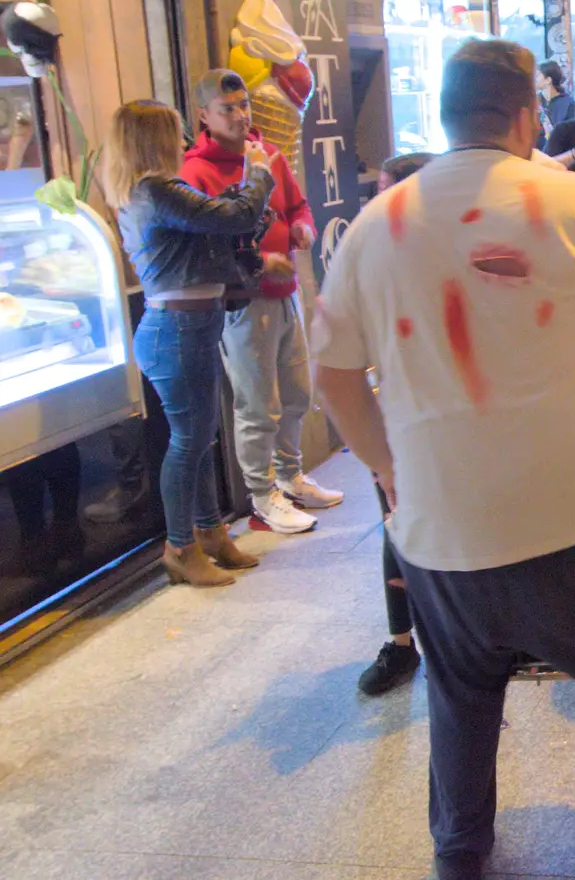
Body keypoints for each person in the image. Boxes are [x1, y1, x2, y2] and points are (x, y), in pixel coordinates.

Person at [310, 40, 575, 880]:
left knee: (462, 695)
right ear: (523, 115)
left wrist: (391, 468)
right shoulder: (572, 199)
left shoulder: (378, 222)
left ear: (443, 116)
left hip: (444, 529)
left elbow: (332, 376)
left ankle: (459, 851)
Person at [105, 99, 272, 587]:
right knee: (189, 441)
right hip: (176, 330)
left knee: (198, 438)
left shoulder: (148, 191)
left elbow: (222, 223)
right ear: (155, 139)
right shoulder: (156, 189)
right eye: (175, 132)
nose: (182, 143)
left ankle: (210, 533)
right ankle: (180, 547)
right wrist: (258, 173)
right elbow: (232, 216)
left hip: (186, 328)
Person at [182, 69, 341, 536]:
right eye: (227, 109)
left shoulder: (266, 153)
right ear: (204, 116)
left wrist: (302, 226)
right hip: (241, 303)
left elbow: (297, 206)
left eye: (243, 105)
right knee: (257, 405)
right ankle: (261, 495)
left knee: (297, 393)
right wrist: (262, 260)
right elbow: (207, 247)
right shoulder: (196, 171)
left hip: (286, 295)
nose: (239, 115)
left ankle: (291, 476)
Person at [357, 151, 434, 697]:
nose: (375, 204)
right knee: (394, 522)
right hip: (398, 412)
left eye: (386, 193)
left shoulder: (457, 250)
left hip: (455, 417)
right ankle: (401, 643)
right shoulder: (373, 255)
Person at [538, 62, 575, 128]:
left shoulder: (568, 104)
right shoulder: (535, 102)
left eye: (537, 75)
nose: (534, 79)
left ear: (548, 80)